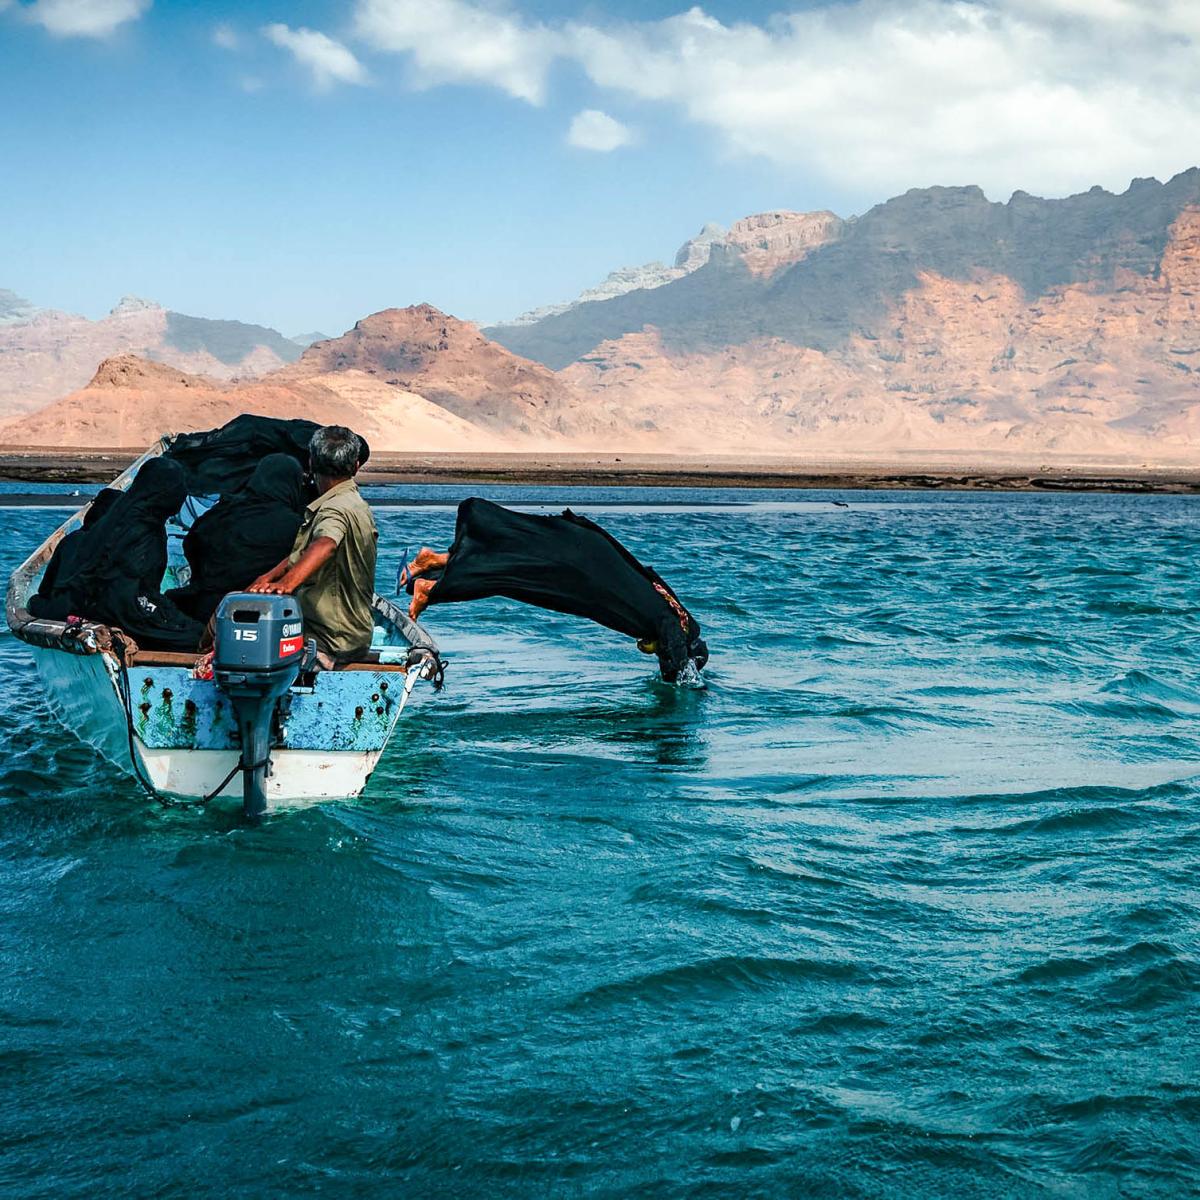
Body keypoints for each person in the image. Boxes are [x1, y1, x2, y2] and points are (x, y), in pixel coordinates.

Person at [403, 498, 708, 682]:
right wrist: (684, 684)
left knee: (527, 549)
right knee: (519, 578)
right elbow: (676, 668)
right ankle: (430, 589)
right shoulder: (672, 628)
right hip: (584, 573)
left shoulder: (671, 605)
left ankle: (434, 560)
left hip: (591, 548)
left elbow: (645, 572)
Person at [30, 458, 204, 651]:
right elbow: (127, 592)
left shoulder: (119, 520)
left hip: (101, 605)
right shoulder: (142, 528)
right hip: (120, 610)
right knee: (196, 636)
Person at [248, 426, 377, 668]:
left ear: (310, 463)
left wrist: (285, 585)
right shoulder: (354, 503)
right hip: (354, 634)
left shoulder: (333, 510)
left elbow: (325, 544)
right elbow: (309, 550)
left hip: (330, 638)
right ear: (356, 466)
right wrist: (271, 575)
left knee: (230, 626)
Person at [166, 453, 306, 624]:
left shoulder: (223, 512)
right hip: (263, 615)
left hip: (206, 609)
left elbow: (192, 543)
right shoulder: (296, 526)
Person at [31, 486, 122, 615]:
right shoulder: (122, 543)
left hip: (65, 610)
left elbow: (45, 588)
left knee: (35, 601)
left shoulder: (71, 540)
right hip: (103, 611)